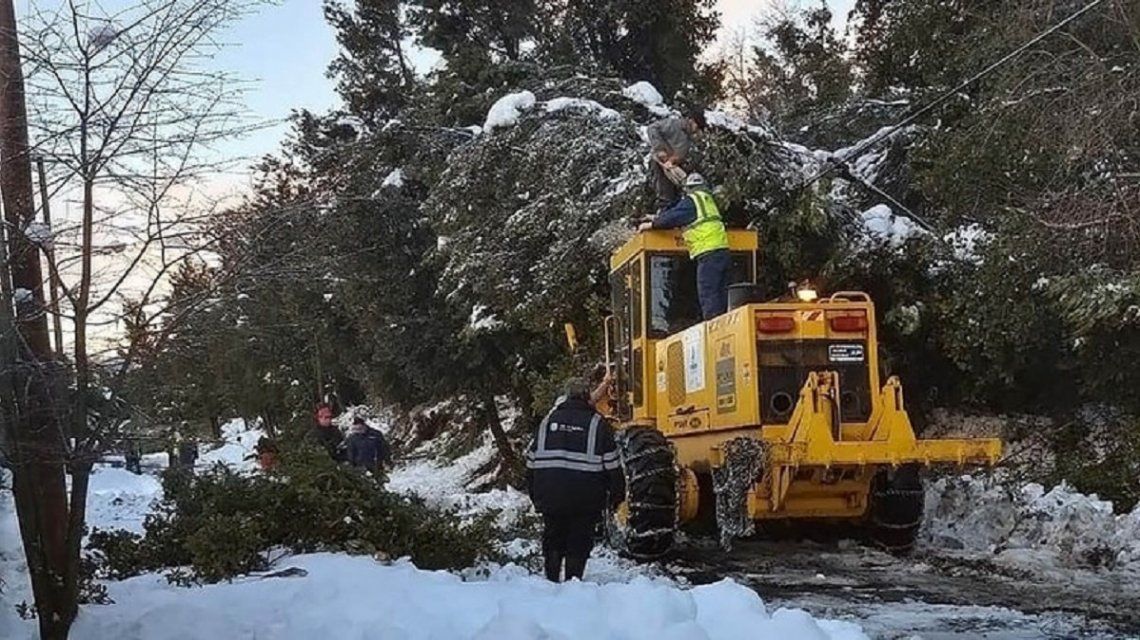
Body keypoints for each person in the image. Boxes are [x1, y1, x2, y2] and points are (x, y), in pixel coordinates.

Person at [525, 377, 625, 583]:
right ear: (587, 397)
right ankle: (573, 585)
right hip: (585, 498)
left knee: (553, 538)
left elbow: (531, 462)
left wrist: (536, 496)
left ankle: (551, 582)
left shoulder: (547, 421)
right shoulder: (598, 424)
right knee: (579, 541)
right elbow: (613, 466)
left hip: (550, 494)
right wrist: (617, 496)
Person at [639, 172, 730, 320]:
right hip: (721, 251)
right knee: (720, 294)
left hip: (707, 252)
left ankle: (714, 330)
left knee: (708, 292)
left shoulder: (692, 200)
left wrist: (651, 224)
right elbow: (681, 213)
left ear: (688, 188)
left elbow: (674, 217)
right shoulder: (707, 201)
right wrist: (656, 217)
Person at [645, 108, 706, 211]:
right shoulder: (673, 124)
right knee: (664, 191)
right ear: (691, 121)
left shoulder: (689, 138)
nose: (696, 129)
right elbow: (652, 128)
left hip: (674, 166)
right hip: (660, 162)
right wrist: (660, 149)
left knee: (677, 195)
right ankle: (662, 214)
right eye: (697, 126)